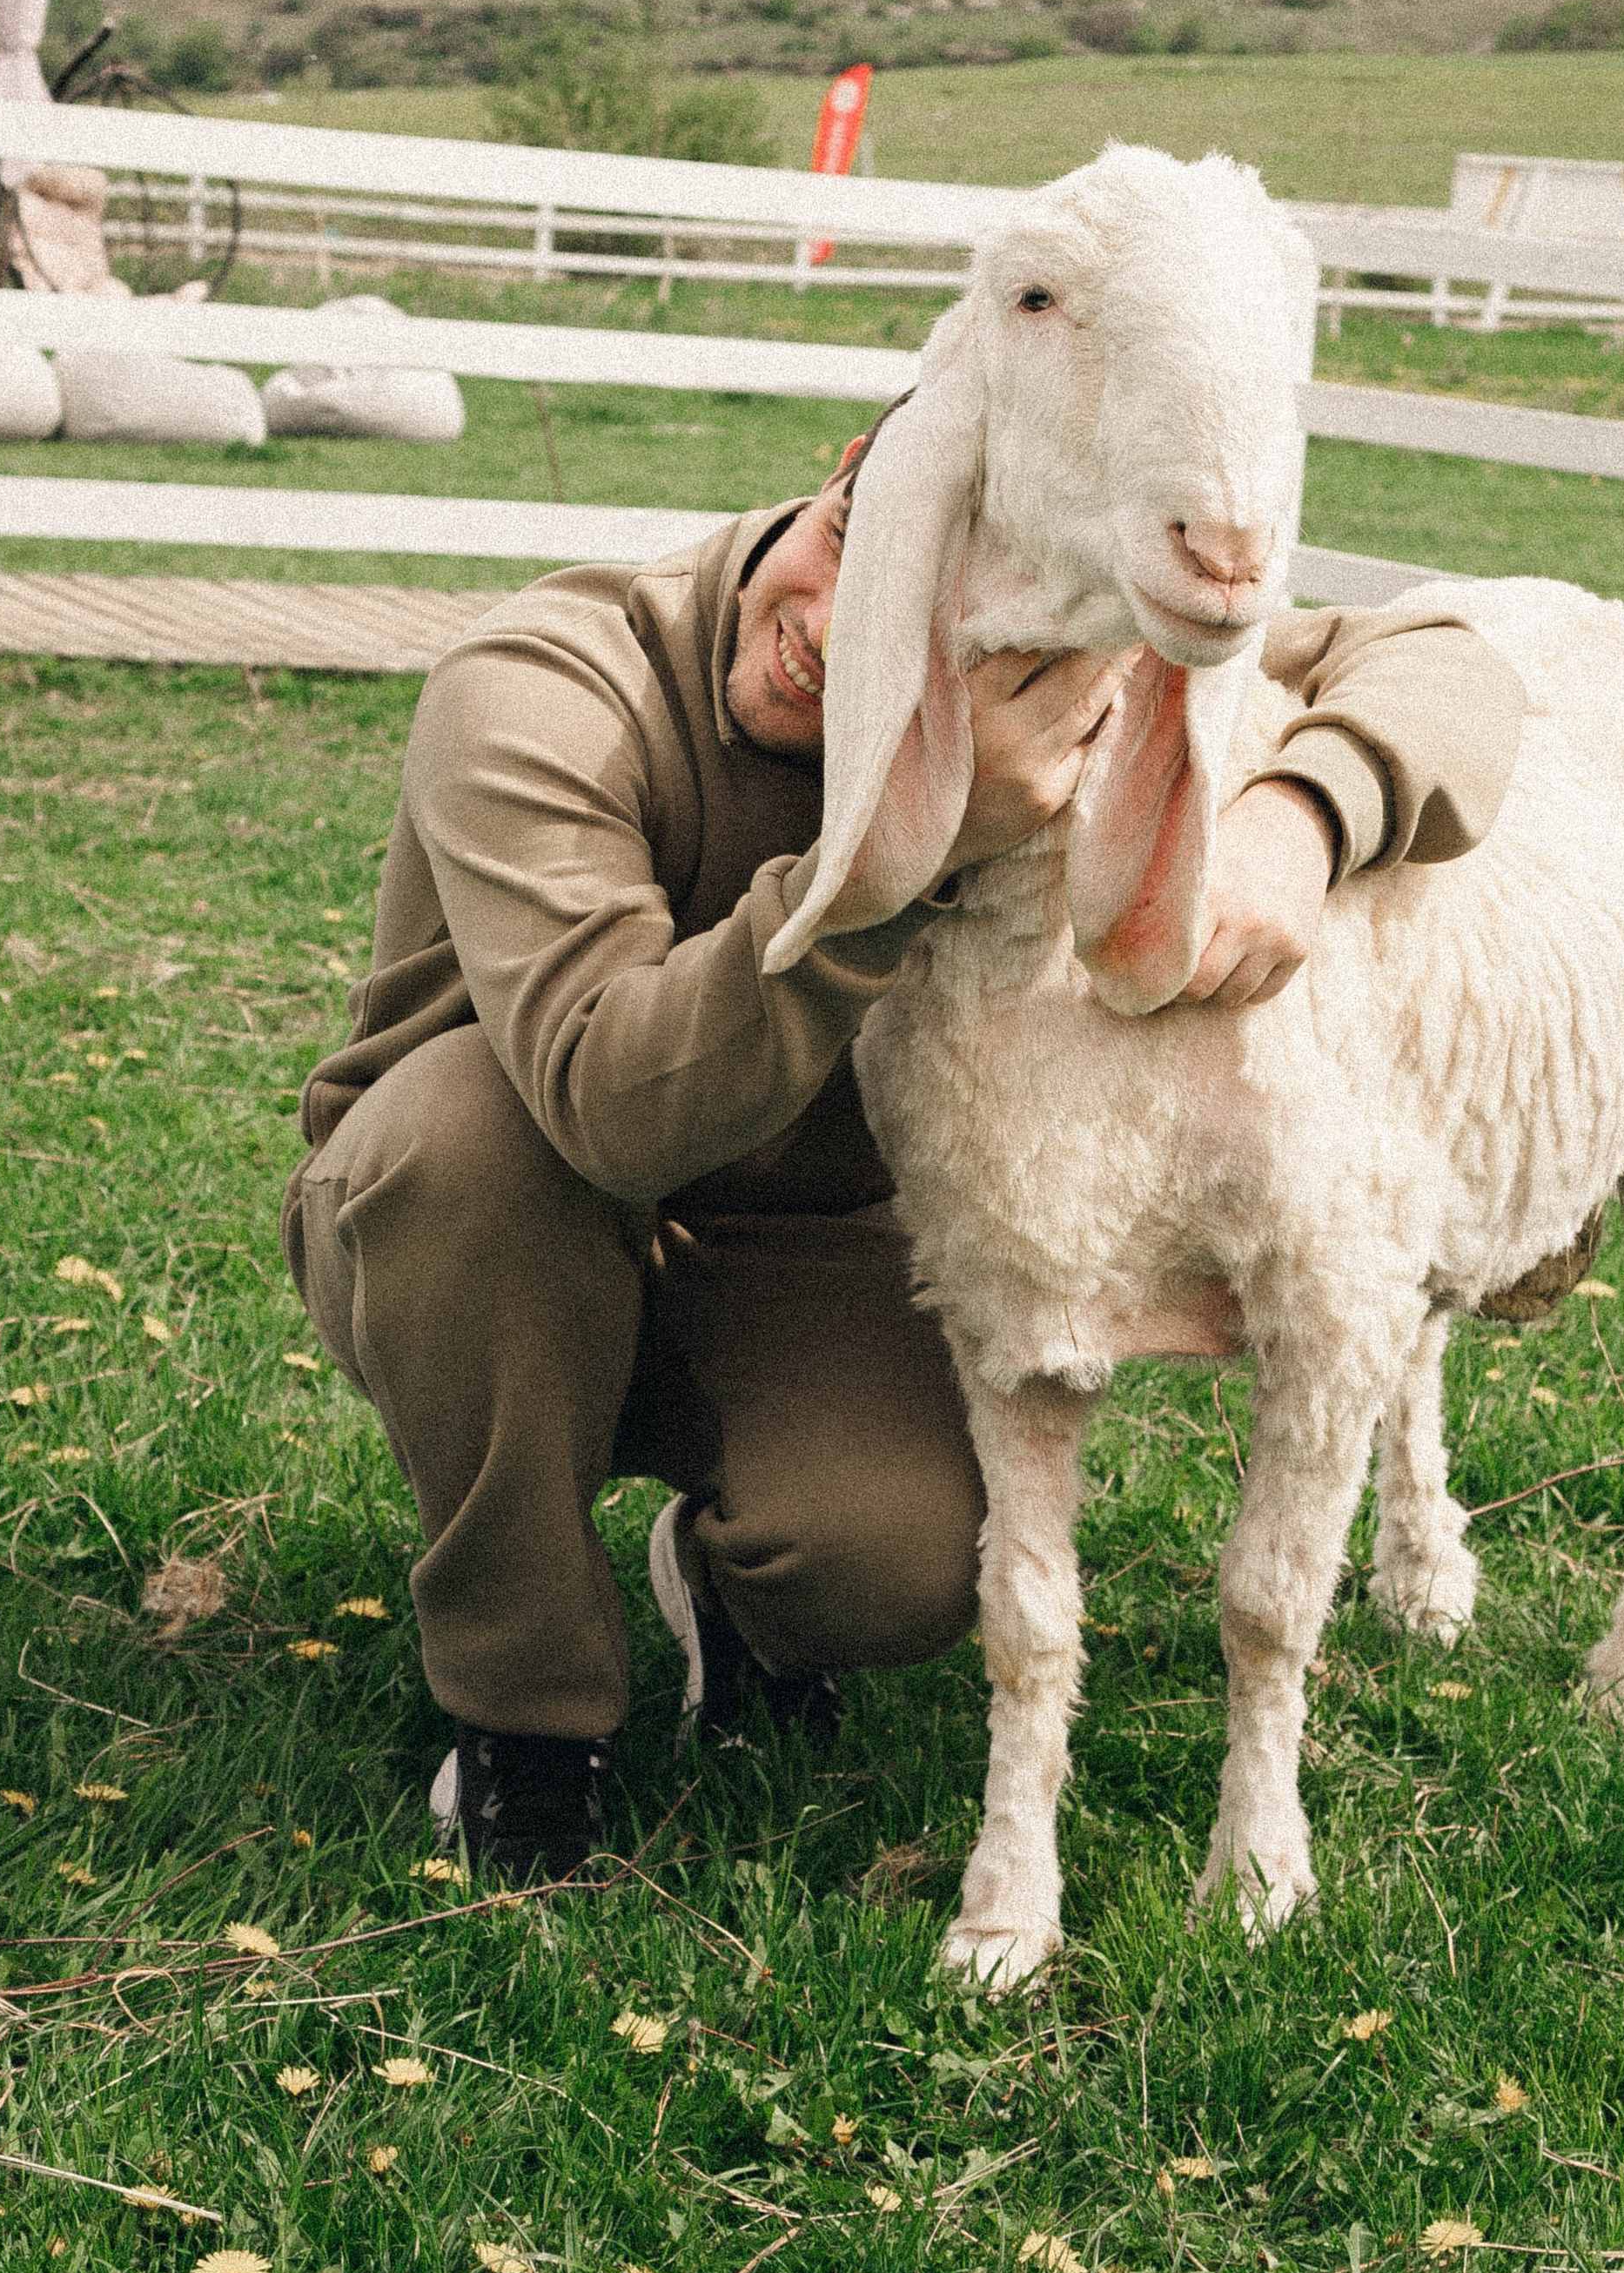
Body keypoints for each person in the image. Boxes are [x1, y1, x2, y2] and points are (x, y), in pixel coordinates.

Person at [281, 419, 1527, 1880]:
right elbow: (606, 1105)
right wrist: (909, 849)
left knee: (896, 1566)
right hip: (482, 1223)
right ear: (845, 468)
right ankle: (527, 1712)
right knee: (469, 1135)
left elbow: (1456, 670)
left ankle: (737, 1581)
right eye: (846, 550)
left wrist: (1305, 813)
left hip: (800, 1242)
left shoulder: (1066, 640)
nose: (828, 631)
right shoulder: (547, 683)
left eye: (925, 632)